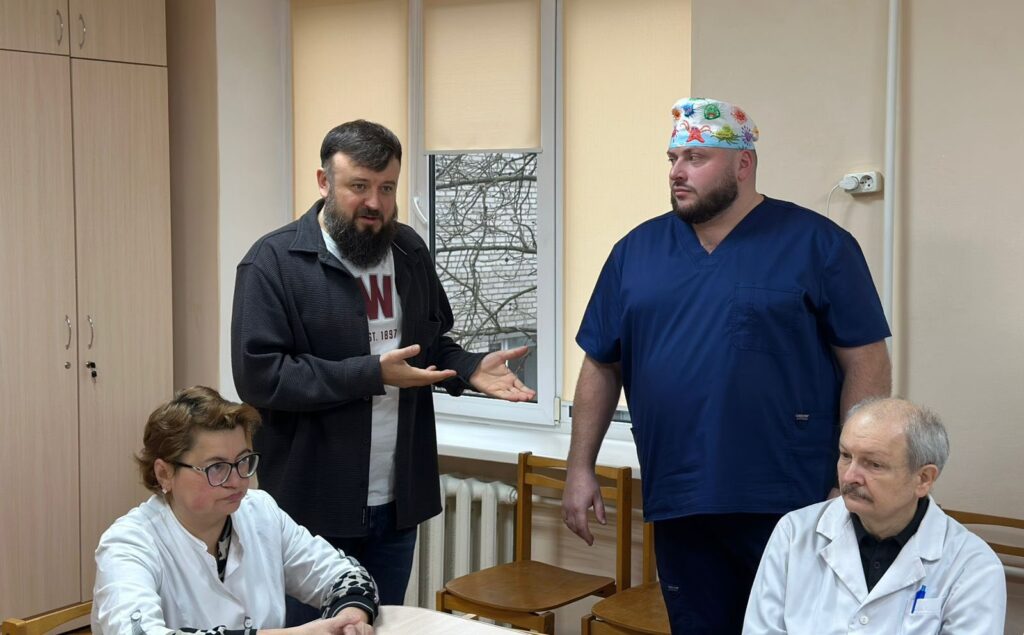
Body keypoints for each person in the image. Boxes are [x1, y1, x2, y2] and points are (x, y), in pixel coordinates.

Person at [561, 97, 893, 633]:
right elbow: (601, 364)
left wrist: (853, 474)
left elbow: (867, 362)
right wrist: (580, 468)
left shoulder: (819, 245)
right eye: (672, 158)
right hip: (680, 495)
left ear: (743, 163)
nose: (677, 171)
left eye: (695, 157)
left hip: (792, 499)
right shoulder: (635, 253)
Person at [230, 120, 535, 613]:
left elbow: (428, 345)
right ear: (324, 182)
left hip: (396, 503)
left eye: (387, 188)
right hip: (310, 510)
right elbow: (260, 376)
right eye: (359, 186)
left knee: (381, 624)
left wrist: (469, 368)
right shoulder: (274, 262)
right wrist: (372, 374)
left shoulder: (408, 250)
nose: (375, 203)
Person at [91, 386, 379, 635]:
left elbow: (345, 575)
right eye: (216, 467)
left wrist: (350, 618)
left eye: (243, 461)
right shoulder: (127, 544)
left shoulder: (260, 511)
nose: (237, 481)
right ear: (164, 474)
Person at [743, 398, 1007, 634]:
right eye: (846, 456)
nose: (850, 476)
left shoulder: (973, 565)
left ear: (923, 479)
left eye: (874, 464)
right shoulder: (794, 532)